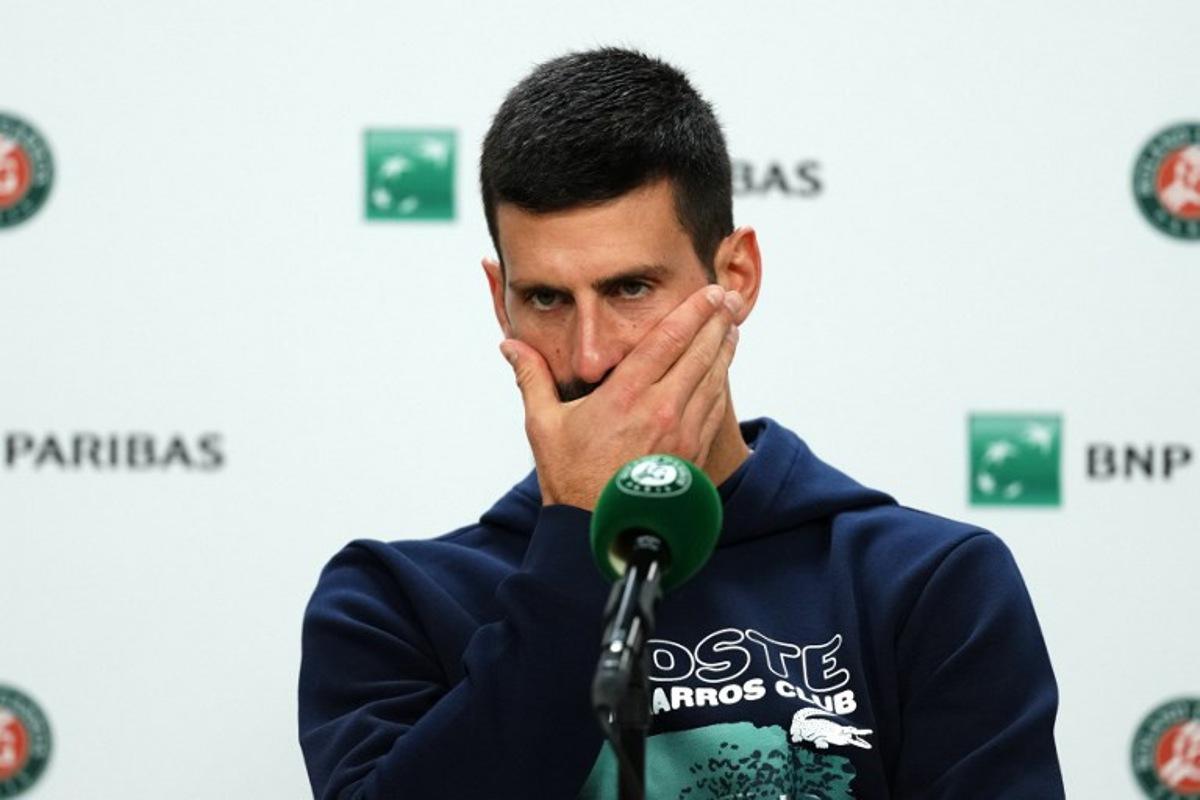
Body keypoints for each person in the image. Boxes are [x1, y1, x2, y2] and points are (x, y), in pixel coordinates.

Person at [299, 48, 1065, 799]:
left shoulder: (926, 584)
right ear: (500, 299)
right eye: (546, 299)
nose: (591, 355)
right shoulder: (392, 602)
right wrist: (576, 539)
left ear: (736, 277)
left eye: (630, 288)